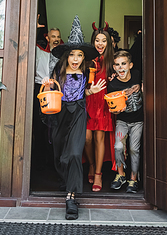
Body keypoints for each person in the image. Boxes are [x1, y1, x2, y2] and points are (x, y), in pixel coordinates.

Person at [46, 15, 100, 220]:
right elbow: (54, 91)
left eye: (79, 55)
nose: (76, 59)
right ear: (66, 56)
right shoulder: (58, 70)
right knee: (60, 155)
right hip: (60, 114)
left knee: (75, 154)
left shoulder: (86, 71)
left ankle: (71, 198)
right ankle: (65, 178)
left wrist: (89, 92)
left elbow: (80, 92)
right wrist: (48, 84)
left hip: (78, 112)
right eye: (72, 55)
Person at [84, 22, 115, 192]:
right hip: (88, 101)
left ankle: (98, 173)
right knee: (87, 138)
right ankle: (91, 163)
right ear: (93, 42)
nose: (100, 43)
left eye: (104, 40)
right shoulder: (86, 60)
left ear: (108, 43)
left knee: (99, 138)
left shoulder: (112, 60)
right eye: (97, 40)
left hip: (103, 104)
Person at [107, 50, 143, 193]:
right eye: (117, 65)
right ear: (114, 68)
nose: (121, 67)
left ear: (130, 65)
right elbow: (112, 106)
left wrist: (140, 85)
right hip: (122, 120)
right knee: (118, 147)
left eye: (124, 64)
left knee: (134, 149)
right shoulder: (113, 84)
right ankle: (120, 175)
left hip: (138, 121)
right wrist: (115, 111)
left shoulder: (137, 74)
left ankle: (133, 179)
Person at [33, 15, 62, 169]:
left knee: (55, 128)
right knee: (39, 126)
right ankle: (38, 162)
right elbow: (26, 42)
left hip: (57, 91)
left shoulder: (63, 55)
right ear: (48, 37)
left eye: (58, 36)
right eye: (53, 36)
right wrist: (34, 28)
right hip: (40, 89)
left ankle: (53, 162)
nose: (56, 39)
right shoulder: (39, 51)